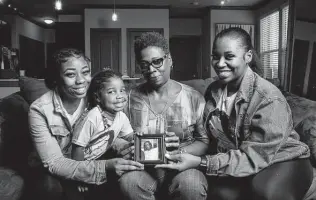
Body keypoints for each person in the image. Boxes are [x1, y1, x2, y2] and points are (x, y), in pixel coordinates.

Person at [156, 27, 313, 200]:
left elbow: (255, 157)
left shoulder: (268, 97)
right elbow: (206, 137)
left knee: (264, 192)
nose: (220, 63)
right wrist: (176, 144)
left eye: (229, 56)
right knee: (221, 193)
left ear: (248, 56)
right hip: (239, 157)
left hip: (283, 158)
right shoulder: (213, 90)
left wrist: (202, 162)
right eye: (216, 56)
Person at [28, 48, 143, 200]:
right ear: (56, 77)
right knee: (50, 187)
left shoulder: (96, 95)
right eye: (70, 74)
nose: (81, 80)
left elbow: (110, 128)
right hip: (55, 168)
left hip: (90, 160)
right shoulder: (39, 110)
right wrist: (89, 173)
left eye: (85, 72)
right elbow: (54, 163)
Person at [118, 32, 210, 200]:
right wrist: (128, 147)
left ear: (170, 60)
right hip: (143, 169)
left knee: (192, 185)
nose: (151, 70)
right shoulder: (129, 98)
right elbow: (117, 134)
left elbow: (204, 141)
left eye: (157, 61)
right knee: (129, 182)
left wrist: (179, 151)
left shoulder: (193, 97)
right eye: (144, 64)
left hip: (183, 167)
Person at [71, 68, 141, 193]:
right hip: (76, 163)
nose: (119, 96)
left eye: (122, 90)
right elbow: (77, 148)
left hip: (97, 163)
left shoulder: (121, 116)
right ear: (98, 97)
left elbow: (131, 137)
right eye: (111, 92)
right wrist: (80, 177)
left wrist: (140, 137)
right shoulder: (93, 116)